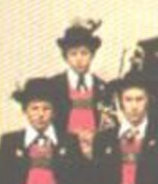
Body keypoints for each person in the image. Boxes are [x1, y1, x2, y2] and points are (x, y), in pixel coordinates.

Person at [37, 20, 110, 155]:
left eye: (84, 53)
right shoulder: (53, 86)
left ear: (92, 55)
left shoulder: (103, 88)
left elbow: (108, 124)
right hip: (62, 152)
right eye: (73, 54)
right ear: (65, 57)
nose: (79, 59)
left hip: (95, 152)